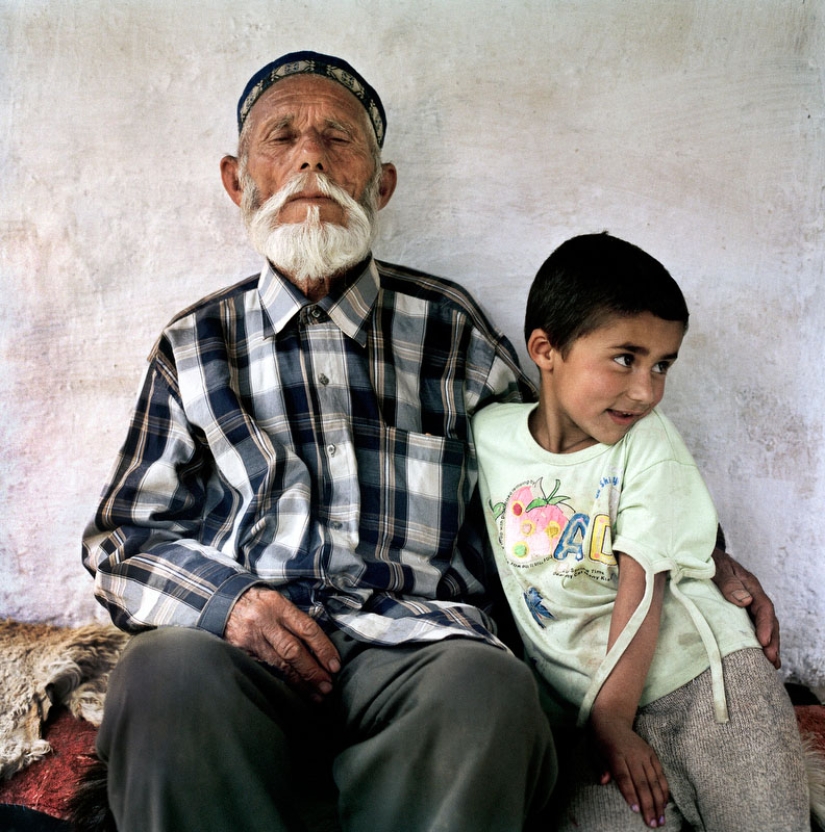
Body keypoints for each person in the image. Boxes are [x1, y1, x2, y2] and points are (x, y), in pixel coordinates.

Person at [81, 52, 780, 832]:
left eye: (336, 138)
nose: (309, 155)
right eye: (281, 136)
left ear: (380, 186)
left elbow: (574, 455)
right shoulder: (195, 343)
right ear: (235, 181)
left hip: (418, 650)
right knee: (161, 672)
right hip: (243, 658)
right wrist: (233, 605)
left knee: (488, 692)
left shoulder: (450, 328)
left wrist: (700, 549)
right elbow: (124, 539)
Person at [471, 233, 809, 831]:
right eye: (625, 358)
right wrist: (605, 726)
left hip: (711, 689)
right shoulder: (489, 437)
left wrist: (613, 721)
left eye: (662, 366)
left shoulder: (646, 444)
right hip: (597, 715)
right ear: (545, 350)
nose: (646, 391)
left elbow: (644, 585)